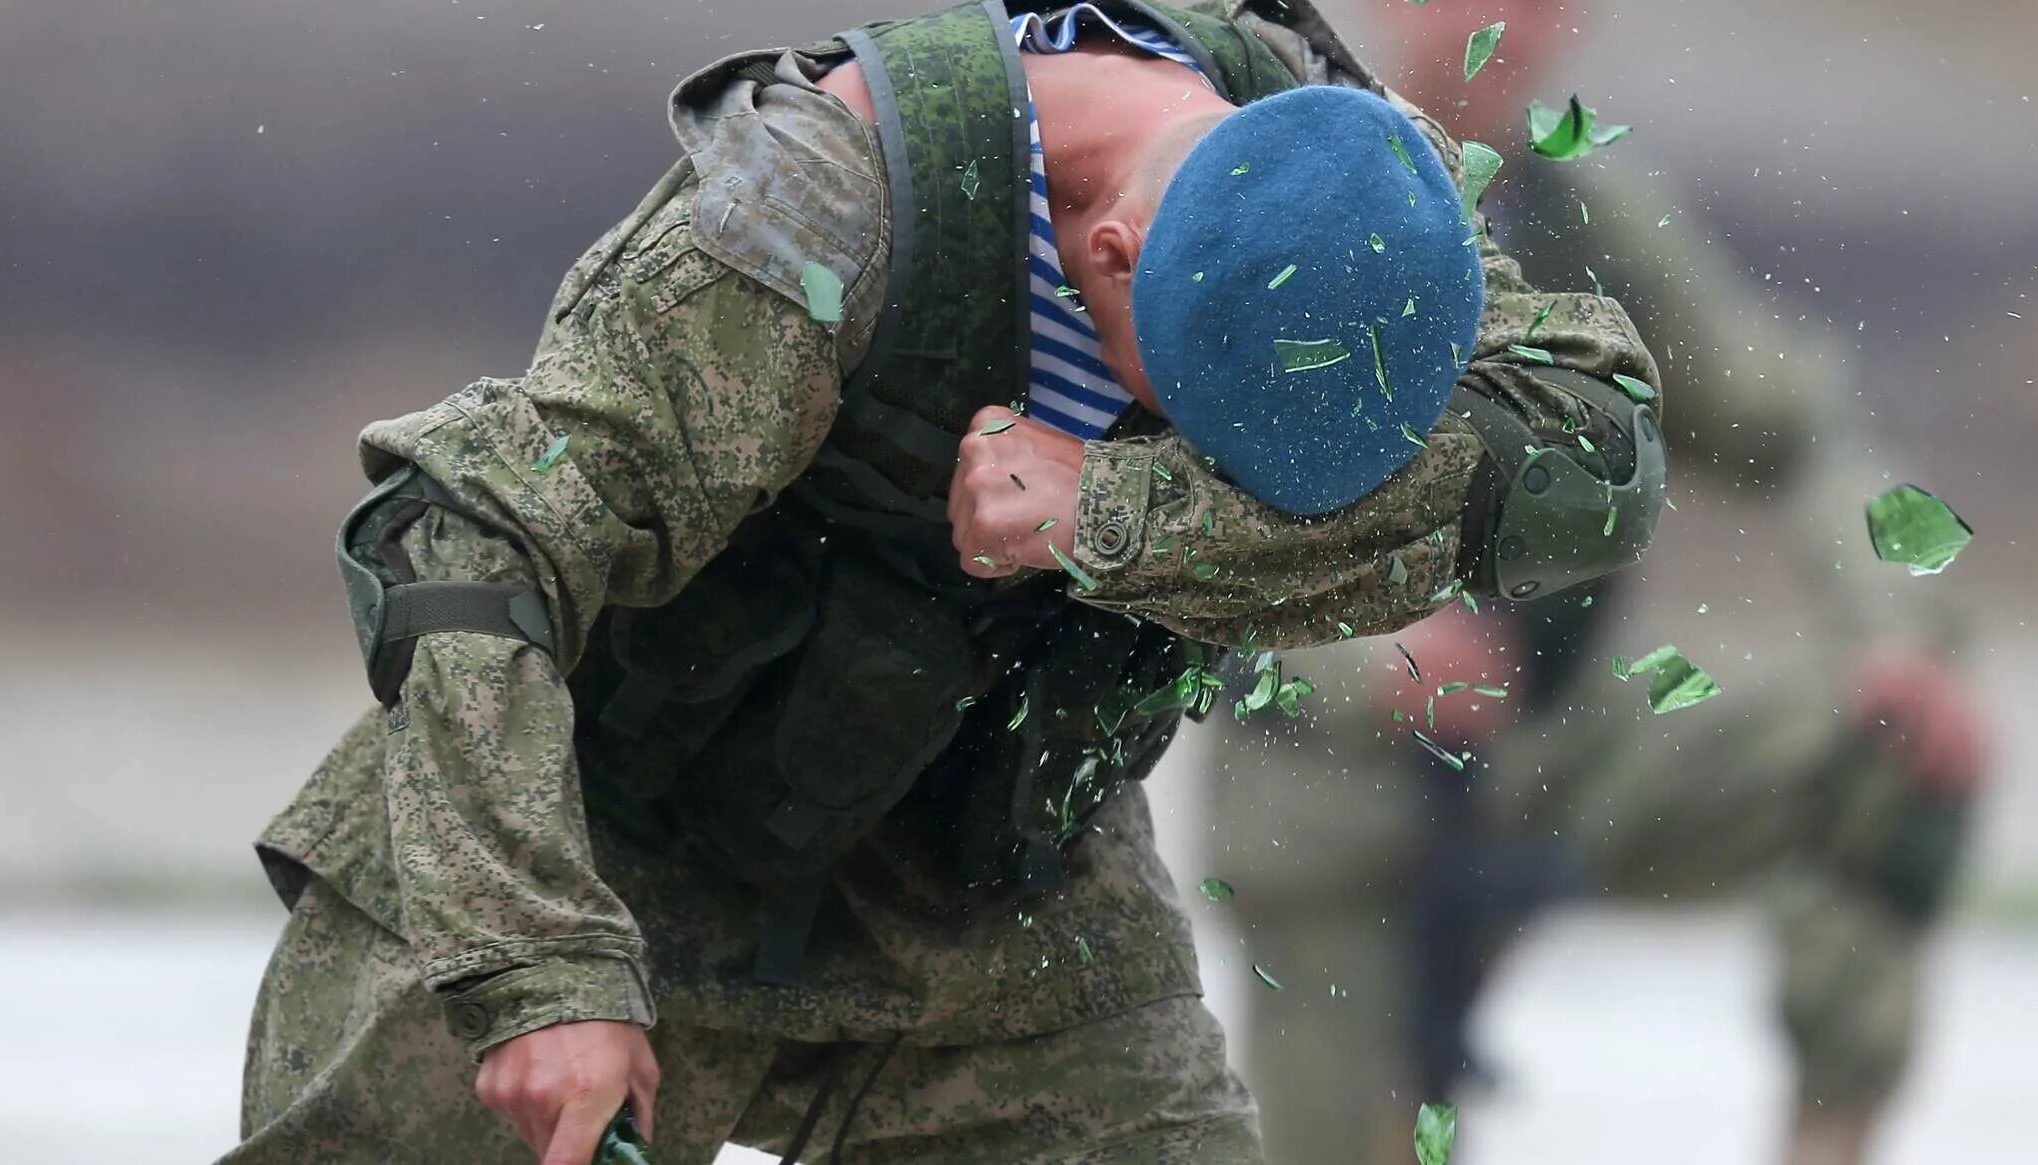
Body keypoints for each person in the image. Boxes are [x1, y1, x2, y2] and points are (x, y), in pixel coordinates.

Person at [220, 2, 1666, 1162]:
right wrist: (536, 973)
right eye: (1205, 425)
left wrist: (1121, 507)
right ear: (1111, 256)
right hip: (613, 827)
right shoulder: (817, 212)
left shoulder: (1342, 184)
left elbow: (1597, 452)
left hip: (994, 885)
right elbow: (470, 543)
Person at [1193, 2, 1988, 1163]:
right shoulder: (1270, 184)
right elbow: (1143, 534)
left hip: (1547, 739)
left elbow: (1799, 428)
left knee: (1892, 756)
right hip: (1338, 792)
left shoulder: (1580, 210)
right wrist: (1372, 661)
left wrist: (1895, 633)